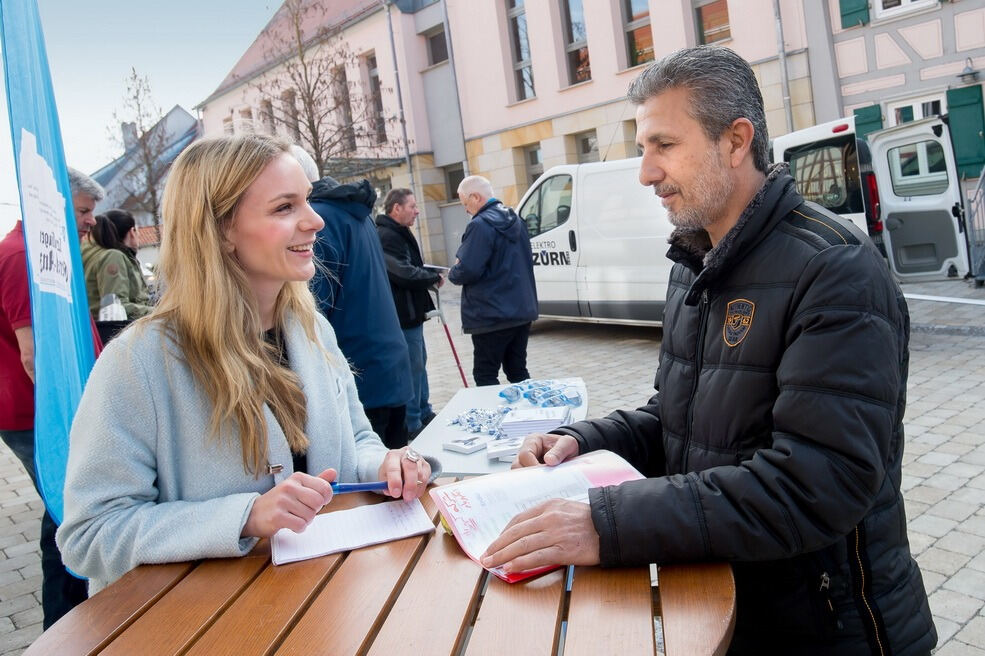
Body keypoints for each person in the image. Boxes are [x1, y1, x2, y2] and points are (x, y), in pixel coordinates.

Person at [480, 47, 936, 655]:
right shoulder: (695, 259)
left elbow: (814, 484)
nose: (645, 173)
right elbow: (682, 422)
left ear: (736, 140)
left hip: (829, 631)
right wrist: (587, 440)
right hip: (725, 610)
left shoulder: (834, 270)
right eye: (643, 149)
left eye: (663, 146)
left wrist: (604, 523)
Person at [56, 135, 431, 594]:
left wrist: (386, 465)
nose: (315, 221)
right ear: (221, 230)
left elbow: (355, 440)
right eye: (284, 207)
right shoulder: (140, 360)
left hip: (320, 605)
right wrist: (245, 516)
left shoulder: (311, 328)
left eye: (307, 202)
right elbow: (89, 535)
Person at [0, 166, 102, 628]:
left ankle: (69, 619)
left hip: (40, 411)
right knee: (69, 512)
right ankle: (68, 624)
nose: (90, 222)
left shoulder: (35, 251)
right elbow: (34, 354)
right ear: (55, 202)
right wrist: (75, 417)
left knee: (63, 512)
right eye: (83, 211)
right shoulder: (23, 256)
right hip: (35, 413)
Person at [294, 149, 415, 450]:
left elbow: (311, 311)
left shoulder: (318, 221)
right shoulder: (353, 212)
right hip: (387, 366)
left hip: (358, 376)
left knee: (372, 486)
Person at [448, 176, 537, 386]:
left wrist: (454, 270)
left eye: (465, 204)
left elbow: (467, 270)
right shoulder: (516, 219)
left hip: (491, 316)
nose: (466, 210)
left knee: (485, 374)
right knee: (517, 371)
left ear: (476, 197)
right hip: (520, 311)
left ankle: (495, 418)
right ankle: (528, 415)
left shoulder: (480, 225)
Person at [376, 189, 441, 437]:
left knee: (419, 364)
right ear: (396, 209)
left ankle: (424, 412)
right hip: (402, 314)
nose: (416, 211)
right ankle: (413, 422)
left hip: (412, 312)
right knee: (412, 368)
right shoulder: (387, 235)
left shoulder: (398, 232)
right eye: (412, 206)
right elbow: (402, 272)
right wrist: (430, 277)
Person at [81, 209, 153, 320]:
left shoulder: (95, 253)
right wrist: (158, 313)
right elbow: (117, 307)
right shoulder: (113, 257)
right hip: (118, 332)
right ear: (132, 232)